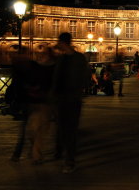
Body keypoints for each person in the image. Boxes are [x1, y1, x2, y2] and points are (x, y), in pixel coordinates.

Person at [51, 32, 90, 173]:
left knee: (70, 130)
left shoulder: (69, 59)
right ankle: (63, 154)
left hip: (72, 99)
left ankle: (69, 159)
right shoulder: (74, 58)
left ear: (63, 43)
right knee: (64, 129)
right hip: (63, 99)